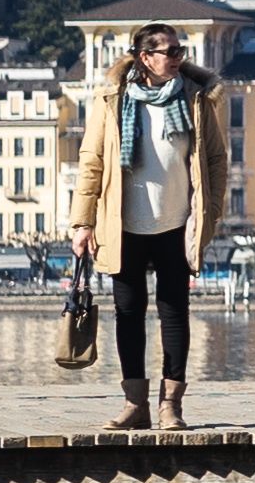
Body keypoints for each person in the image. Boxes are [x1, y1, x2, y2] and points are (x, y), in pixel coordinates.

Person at [73, 22, 229, 431]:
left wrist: (210, 210)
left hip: (178, 224)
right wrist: (82, 222)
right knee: (128, 314)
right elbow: (91, 162)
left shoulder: (195, 99)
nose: (178, 58)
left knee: (175, 312)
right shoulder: (112, 99)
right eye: (169, 51)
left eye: (180, 50)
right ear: (145, 58)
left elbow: (216, 158)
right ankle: (134, 404)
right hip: (123, 225)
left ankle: (170, 406)